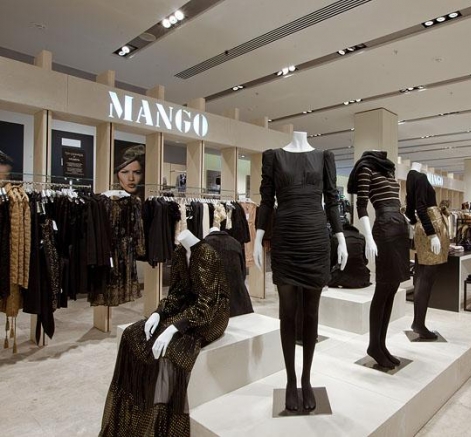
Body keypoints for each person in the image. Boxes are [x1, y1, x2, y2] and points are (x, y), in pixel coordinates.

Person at [100, 230, 230, 437]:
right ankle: (132, 417)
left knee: (170, 353)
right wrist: (158, 313)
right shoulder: (179, 252)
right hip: (189, 308)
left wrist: (173, 328)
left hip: (212, 316)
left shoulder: (207, 254)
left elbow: (207, 304)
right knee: (132, 335)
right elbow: (177, 293)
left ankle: (160, 422)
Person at [253, 131, 347, 412]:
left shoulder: (324, 157)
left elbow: (332, 200)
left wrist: (341, 237)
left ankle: (306, 379)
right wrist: (258, 238)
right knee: (287, 313)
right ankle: (291, 380)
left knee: (311, 314)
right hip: (286, 238)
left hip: (315, 240)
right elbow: (266, 200)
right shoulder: (274, 157)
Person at [347, 150, 410, 369]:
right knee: (383, 287)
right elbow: (361, 205)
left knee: (393, 287)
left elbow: (395, 200)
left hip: (399, 227)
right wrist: (369, 237)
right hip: (384, 228)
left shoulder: (388, 169)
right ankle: (374, 345)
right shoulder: (366, 168)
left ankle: (381, 345)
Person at [405, 161, 449, 340]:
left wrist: (415, 225)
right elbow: (421, 207)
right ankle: (419, 324)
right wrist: (432, 234)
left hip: (423, 226)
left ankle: (418, 322)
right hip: (431, 225)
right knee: (427, 278)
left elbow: (410, 209)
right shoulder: (421, 177)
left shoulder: (410, 177)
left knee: (421, 275)